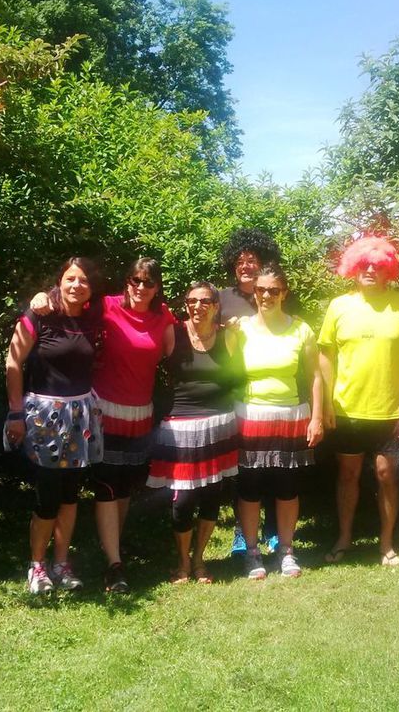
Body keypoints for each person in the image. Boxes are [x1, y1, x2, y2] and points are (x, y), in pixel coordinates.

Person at [30, 256, 175, 593]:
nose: (140, 287)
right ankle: (113, 564)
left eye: (148, 282)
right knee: (107, 485)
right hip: (102, 411)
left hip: (140, 414)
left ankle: (113, 549)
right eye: (134, 280)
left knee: (123, 486)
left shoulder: (162, 316)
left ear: (157, 288)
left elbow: (172, 350)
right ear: (126, 282)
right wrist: (42, 297)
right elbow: (70, 301)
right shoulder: (107, 307)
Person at [318, 237, 399, 566]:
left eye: (378, 265)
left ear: (389, 269)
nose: (371, 270)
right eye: (364, 264)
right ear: (353, 267)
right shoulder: (339, 306)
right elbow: (325, 356)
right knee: (347, 475)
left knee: (386, 475)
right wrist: (328, 404)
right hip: (347, 409)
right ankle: (345, 537)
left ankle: (386, 542)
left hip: (391, 411)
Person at [5, 258, 104, 594]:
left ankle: (61, 564)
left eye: (84, 281)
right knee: (47, 493)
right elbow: (13, 362)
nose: (77, 285)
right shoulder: (41, 314)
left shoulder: (91, 318)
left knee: (70, 494)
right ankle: (37, 566)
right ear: (60, 281)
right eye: (70, 279)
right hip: (43, 415)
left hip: (79, 415)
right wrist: (15, 413)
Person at [231, 263, 323, 579]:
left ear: (284, 293)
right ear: (253, 292)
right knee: (250, 488)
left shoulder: (301, 329)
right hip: (250, 416)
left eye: (273, 290)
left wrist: (318, 417)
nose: (266, 295)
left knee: (287, 487)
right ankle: (252, 553)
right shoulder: (240, 328)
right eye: (261, 290)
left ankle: (286, 551)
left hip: (290, 417)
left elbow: (315, 376)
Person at [147, 282, 241, 584]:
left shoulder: (229, 336)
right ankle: (183, 562)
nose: (197, 306)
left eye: (205, 301)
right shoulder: (171, 334)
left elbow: (238, 375)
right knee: (183, 500)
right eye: (191, 301)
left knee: (212, 496)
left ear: (216, 306)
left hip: (218, 424)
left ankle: (200, 561)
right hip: (181, 427)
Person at [218, 228, 284, 555]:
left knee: (272, 464)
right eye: (240, 262)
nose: (245, 266)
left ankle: (273, 528)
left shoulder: (273, 294)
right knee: (244, 467)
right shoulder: (221, 297)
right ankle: (243, 533)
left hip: (269, 396)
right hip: (233, 394)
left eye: (252, 261)